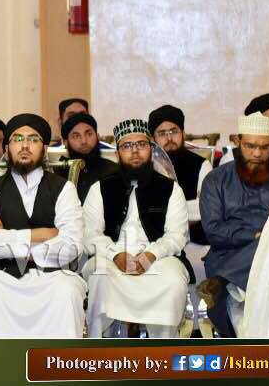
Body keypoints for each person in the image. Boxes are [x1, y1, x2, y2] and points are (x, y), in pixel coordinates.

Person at [0, 113, 86, 337]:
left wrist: (7, 238)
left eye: (33, 139)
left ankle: (58, 359)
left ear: (45, 148)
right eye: (17, 139)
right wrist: (42, 234)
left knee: (67, 290)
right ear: (7, 148)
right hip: (0, 275)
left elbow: (72, 245)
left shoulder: (64, 189)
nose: (24, 145)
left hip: (52, 275)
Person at [199, 112, 269, 337]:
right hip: (227, 255)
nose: (257, 154)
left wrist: (266, 239)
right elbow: (213, 230)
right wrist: (255, 236)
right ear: (238, 142)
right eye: (250, 146)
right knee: (268, 240)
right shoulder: (216, 179)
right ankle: (231, 281)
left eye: (264, 147)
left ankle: (224, 282)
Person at [82, 119, 189, 338]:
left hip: (158, 258)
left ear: (151, 149)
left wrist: (151, 254)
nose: (135, 151)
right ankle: (98, 347)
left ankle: (164, 349)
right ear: (117, 153)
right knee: (99, 275)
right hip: (111, 257)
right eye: (127, 146)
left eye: (141, 144)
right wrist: (116, 254)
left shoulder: (171, 189)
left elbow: (177, 235)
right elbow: (89, 234)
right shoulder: (99, 188)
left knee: (173, 279)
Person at [148, 104, 213, 286]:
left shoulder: (201, 165)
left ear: (183, 133)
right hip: (152, 241)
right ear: (152, 138)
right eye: (162, 133)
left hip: (194, 241)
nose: (169, 138)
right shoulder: (145, 167)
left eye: (174, 131)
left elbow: (205, 208)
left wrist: (167, 214)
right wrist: (187, 208)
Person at [56, 113, 119, 202]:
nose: (84, 141)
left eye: (89, 134)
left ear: (97, 137)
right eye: (76, 136)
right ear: (65, 143)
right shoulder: (57, 174)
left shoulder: (113, 171)